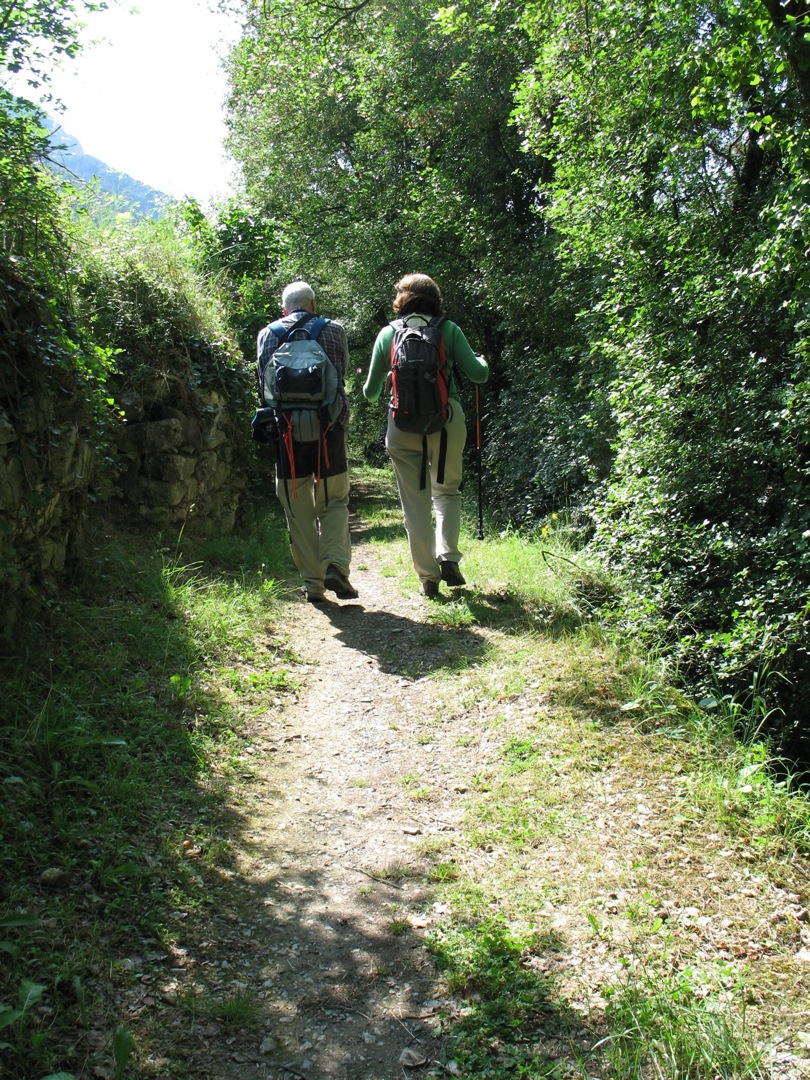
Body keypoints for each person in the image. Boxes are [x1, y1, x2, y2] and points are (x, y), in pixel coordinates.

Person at [363, 273, 489, 597]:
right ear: (435, 299)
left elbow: (370, 394)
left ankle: (428, 579)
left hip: (402, 425)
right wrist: (482, 362)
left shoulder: (388, 334)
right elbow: (479, 375)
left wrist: (386, 378)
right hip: (446, 421)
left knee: (414, 505)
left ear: (401, 300)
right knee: (446, 492)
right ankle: (448, 557)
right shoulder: (448, 329)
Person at [257, 280, 358, 604]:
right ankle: (335, 565)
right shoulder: (334, 330)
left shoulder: (267, 334)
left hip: (286, 434)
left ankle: (314, 585)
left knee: (297, 508)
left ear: (283, 309)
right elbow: (340, 376)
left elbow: (264, 388)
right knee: (334, 500)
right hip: (329, 429)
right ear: (314, 305)